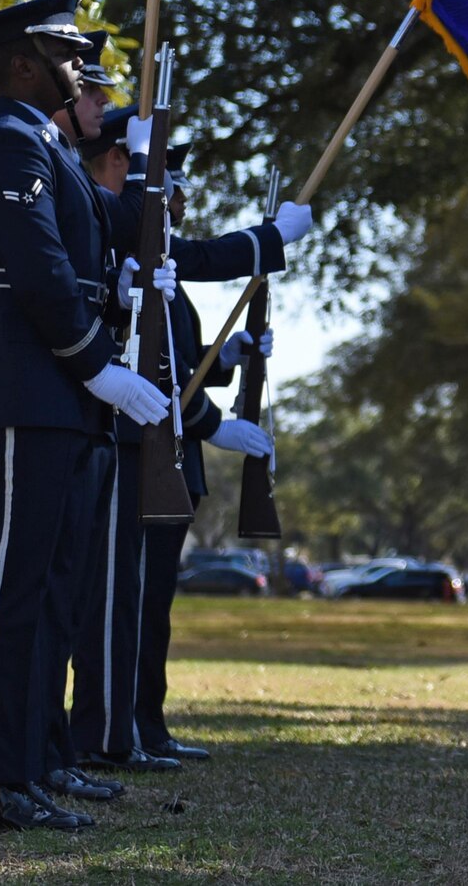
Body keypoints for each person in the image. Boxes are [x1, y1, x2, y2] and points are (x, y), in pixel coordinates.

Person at [0, 0, 167, 830]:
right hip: (25, 379)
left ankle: (36, 758)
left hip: (54, 386)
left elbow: (102, 240)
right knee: (11, 587)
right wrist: (99, 368)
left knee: (46, 588)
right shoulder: (7, 141)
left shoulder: (50, 148)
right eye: (66, 54)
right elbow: (42, 274)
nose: (81, 70)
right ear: (21, 64)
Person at [69, 113, 299, 770]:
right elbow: (152, 364)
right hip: (130, 446)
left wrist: (225, 357)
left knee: (151, 607)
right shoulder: (116, 242)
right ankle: (110, 734)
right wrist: (209, 423)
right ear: (120, 163)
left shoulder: (153, 249)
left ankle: (144, 725)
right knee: (122, 605)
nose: (178, 192)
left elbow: (179, 354)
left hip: (164, 455)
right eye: (165, 175)